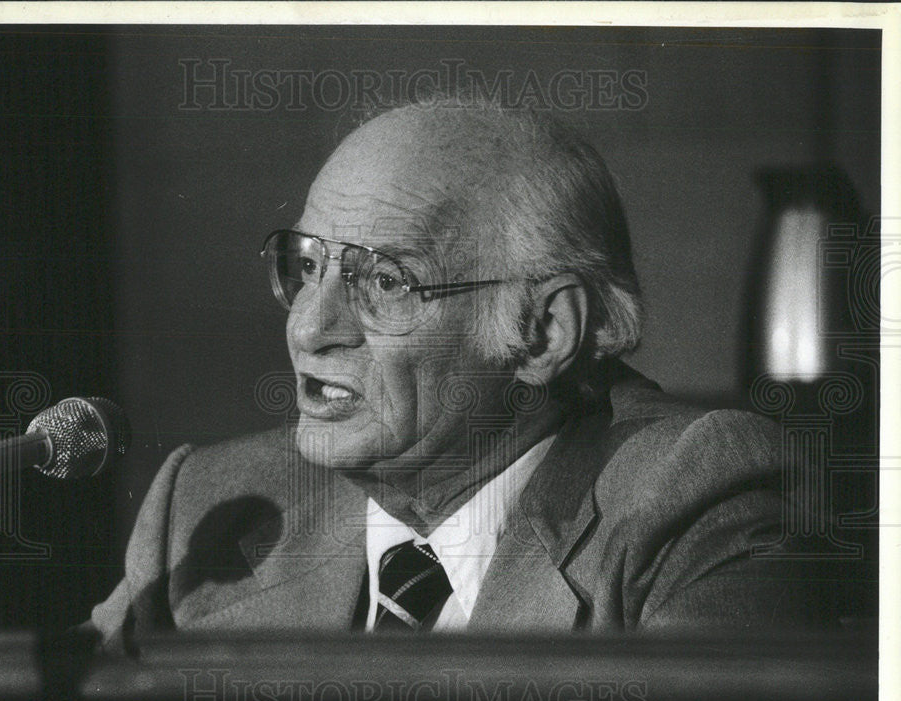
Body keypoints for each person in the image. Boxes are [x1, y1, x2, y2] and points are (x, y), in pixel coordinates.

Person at [89, 97, 821, 649]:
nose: (308, 327)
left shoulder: (687, 503)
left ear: (543, 332)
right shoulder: (213, 511)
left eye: (385, 283)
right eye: (307, 268)